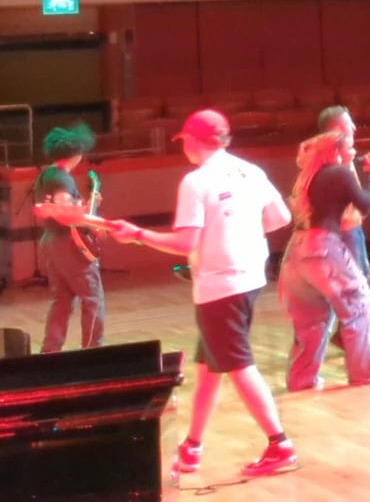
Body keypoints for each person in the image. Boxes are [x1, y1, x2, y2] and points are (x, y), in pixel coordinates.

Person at [106, 110, 299, 480]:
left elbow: (185, 242)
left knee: (238, 364)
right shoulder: (250, 171)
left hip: (220, 286)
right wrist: (240, 233)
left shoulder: (196, 182)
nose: (184, 148)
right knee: (209, 367)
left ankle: (280, 444)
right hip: (249, 278)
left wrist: (137, 235)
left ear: (194, 141)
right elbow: (280, 218)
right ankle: (192, 448)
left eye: (185, 141)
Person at [279, 112, 370, 391]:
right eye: (348, 148)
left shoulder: (308, 177)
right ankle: (368, 372)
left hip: (296, 253)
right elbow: (365, 205)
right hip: (323, 248)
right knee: (359, 306)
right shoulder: (341, 172)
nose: (352, 152)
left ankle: (301, 380)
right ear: (336, 150)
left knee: (311, 319)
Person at [31, 125, 105, 353]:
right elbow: (64, 212)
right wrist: (91, 221)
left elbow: (57, 207)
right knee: (93, 299)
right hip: (69, 245)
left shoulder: (46, 174)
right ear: (76, 153)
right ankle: (92, 352)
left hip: (51, 242)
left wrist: (83, 205)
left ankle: (50, 353)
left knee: (62, 301)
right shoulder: (63, 178)